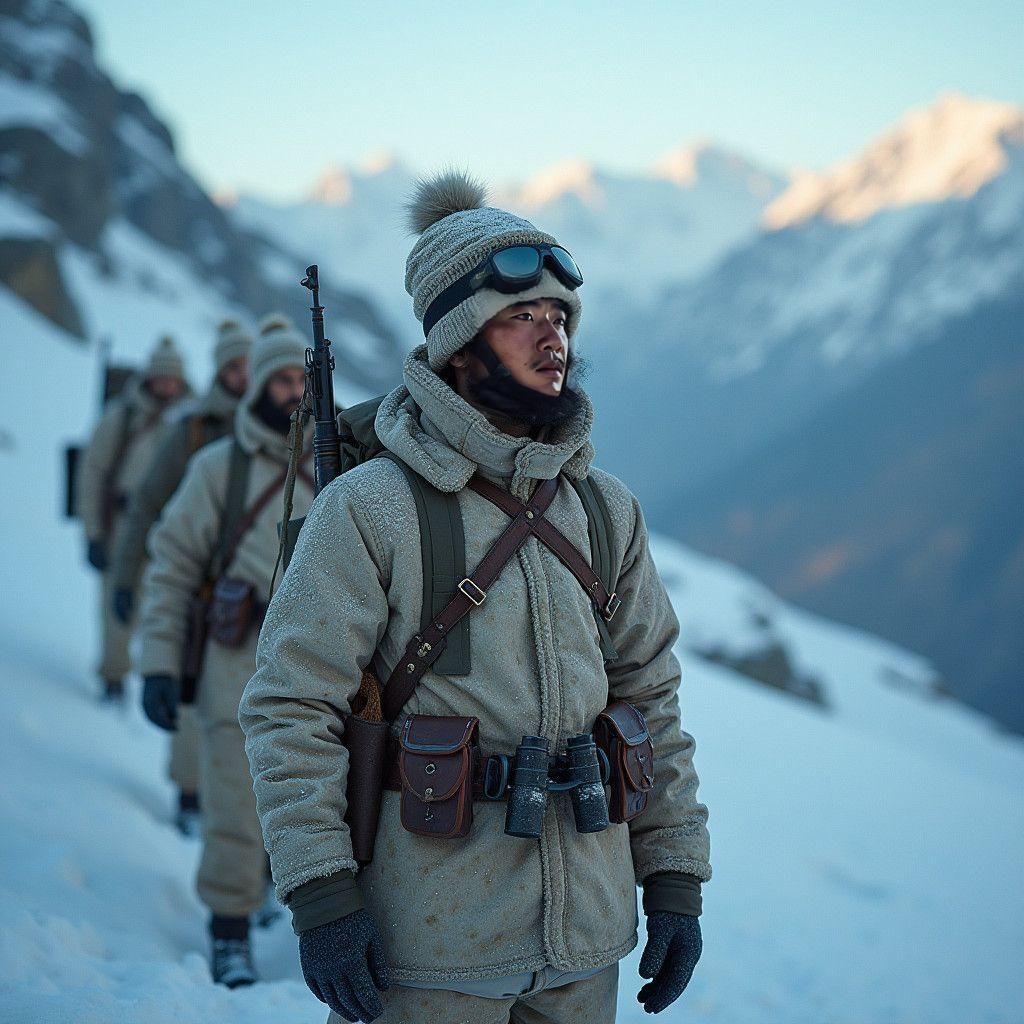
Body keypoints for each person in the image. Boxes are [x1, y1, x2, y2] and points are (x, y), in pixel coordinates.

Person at [239, 171, 711, 1024]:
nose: (552, 335)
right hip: (431, 951)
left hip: (587, 947)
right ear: (460, 342)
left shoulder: (606, 509)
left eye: (560, 315)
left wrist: (674, 879)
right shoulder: (369, 506)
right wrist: (322, 897)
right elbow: (290, 706)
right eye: (521, 317)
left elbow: (651, 698)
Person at [136, 316, 315, 987]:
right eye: (280, 379)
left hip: (315, 662)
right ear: (257, 387)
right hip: (235, 655)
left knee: (309, 794)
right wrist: (157, 661)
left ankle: (278, 892)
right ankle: (229, 930)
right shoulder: (219, 469)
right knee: (236, 802)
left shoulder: (339, 467)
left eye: (302, 378)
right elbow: (172, 565)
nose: (293, 391)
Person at [111, 318, 252, 836]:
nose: (243, 374)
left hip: (253, 595)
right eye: (234, 366)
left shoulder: (283, 428)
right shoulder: (193, 430)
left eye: (249, 364)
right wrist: (127, 578)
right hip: (195, 582)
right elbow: (148, 503)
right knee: (193, 702)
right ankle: (190, 794)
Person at [79, 335, 190, 702]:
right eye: (162, 378)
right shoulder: (122, 417)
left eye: (174, 379)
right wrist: (93, 533)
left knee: (157, 608)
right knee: (117, 603)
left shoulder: (188, 423)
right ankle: (113, 676)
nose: (168, 386)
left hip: (168, 531)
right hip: (121, 527)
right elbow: (92, 474)